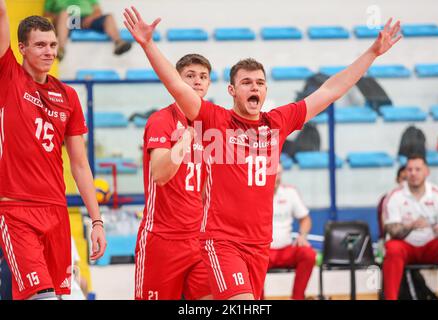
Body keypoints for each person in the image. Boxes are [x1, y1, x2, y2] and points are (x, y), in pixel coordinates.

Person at [123, 6, 401, 300]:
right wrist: (148, 44)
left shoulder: (277, 124)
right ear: (232, 90)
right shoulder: (215, 120)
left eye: (259, 83)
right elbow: (177, 86)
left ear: (266, 89)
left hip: (259, 245)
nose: (254, 88)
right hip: (221, 242)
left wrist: (371, 53)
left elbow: (330, 91)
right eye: (246, 83)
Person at [0, 1, 106, 300]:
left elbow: (80, 165)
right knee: (42, 297)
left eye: (53, 44)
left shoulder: (68, 96)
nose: (48, 51)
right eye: (40, 45)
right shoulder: (8, 76)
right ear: (21, 48)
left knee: (58, 296)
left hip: (57, 211)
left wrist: (96, 220)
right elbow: (2, 13)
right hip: (16, 210)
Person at [134, 54, 212, 300]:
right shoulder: (161, 121)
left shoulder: (211, 126)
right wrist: (186, 138)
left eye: (203, 77)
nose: (197, 81)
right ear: (175, 81)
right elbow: (160, 174)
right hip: (162, 240)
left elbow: (206, 189)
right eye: (190, 76)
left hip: (198, 240)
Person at [382, 154, 438, 300]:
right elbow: (391, 231)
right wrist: (411, 226)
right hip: (406, 246)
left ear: (427, 171)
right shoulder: (394, 196)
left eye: (417, 169)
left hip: (431, 245)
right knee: (392, 248)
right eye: (410, 169)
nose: (413, 173)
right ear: (405, 172)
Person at [265, 165, 316, 300]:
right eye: (274, 174)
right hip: (264, 252)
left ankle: (297, 298)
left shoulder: (290, 193)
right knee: (249, 260)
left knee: (308, 254)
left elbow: (305, 219)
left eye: (280, 174)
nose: (278, 178)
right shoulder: (255, 195)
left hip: (286, 249)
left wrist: (302, 235)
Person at [44, 0, 132, 60]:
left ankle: (118, 42)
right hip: (67, 20)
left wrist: (91, 18)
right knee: (64, 14)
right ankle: (61, 49)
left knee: (109, 17)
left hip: (87, 19)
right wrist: (58, 17)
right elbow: (46, 13)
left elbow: (98, 10)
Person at [377, 165, 407, 239]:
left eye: (409, 179)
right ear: (397, 179)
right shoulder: (387, 199)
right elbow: (384, 230)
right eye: (404, 179)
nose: (406, 182)